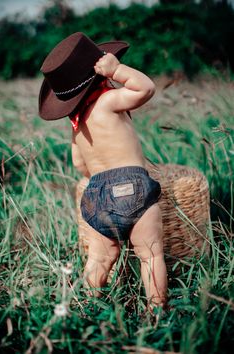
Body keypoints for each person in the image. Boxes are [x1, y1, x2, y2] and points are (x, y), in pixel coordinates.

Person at [39, 32, 167, 309]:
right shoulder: (108, 101)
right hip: (132, 186)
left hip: (96, 195)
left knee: (99, 259)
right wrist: (118, 71)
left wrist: (100, 184)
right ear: (100, 75)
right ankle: (157, 312)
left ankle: (87, 306)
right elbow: (145, 88)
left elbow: (79, 164)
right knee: (150, 255)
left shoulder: (77, 125)